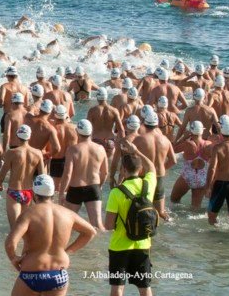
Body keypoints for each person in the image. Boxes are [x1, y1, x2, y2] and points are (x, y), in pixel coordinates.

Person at [5, 175, 97, 296]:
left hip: (32, 273)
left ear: (33, 194)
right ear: (53, 193)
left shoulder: (29, 214)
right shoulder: (67, 213)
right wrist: (68, 251)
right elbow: (91, 232)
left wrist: (14, 259)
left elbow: (10, 243)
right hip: (58, 274)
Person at [104, 139, 159, 295]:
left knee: (117, 287)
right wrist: (136, 151)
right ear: (140, 169)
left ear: (123, 169)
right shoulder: (148, 185)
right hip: (143, 245)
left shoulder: (116, 192)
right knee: (145, 287)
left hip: (119, 246)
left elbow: (108, 225)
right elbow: (152, 168)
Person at [59, 120, 108, 230]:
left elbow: (67, 174)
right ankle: (103, 246)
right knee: (98, 225)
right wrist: (99, 186)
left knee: (68, 224)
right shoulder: (100, 148)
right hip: (93, 187)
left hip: (75, 188)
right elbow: (105, 172)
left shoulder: (73, 150)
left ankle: (66, 246)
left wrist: (62, 193)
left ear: (77, 132)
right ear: (91, 132)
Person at [0, 125, 45, 229]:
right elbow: (42, 176)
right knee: (25, 229)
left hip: (14, 191)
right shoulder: (38, 153)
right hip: (28, 192)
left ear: (17, 136)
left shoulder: (11, 152)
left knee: (15, 229)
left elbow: (3, 173)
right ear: (30, 136)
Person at [132, 106, 176, 220]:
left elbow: (132, 160)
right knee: (161, 212)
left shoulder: (139, 139)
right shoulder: (165, 140)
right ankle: (168, 225)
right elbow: (173, 161)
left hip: (145, 176)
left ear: (144, 124)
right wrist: (163, 169)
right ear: (156, 125)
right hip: (159, 176)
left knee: (141, 209)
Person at [170, 121, 212, 210]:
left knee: (174, 200)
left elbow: (172, 149)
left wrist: (184, 137)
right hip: (202, 178)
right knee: (195, 208)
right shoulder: (209, 144)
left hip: (187, 176)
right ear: (202, 131)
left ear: (191, 132)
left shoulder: (187, 144)